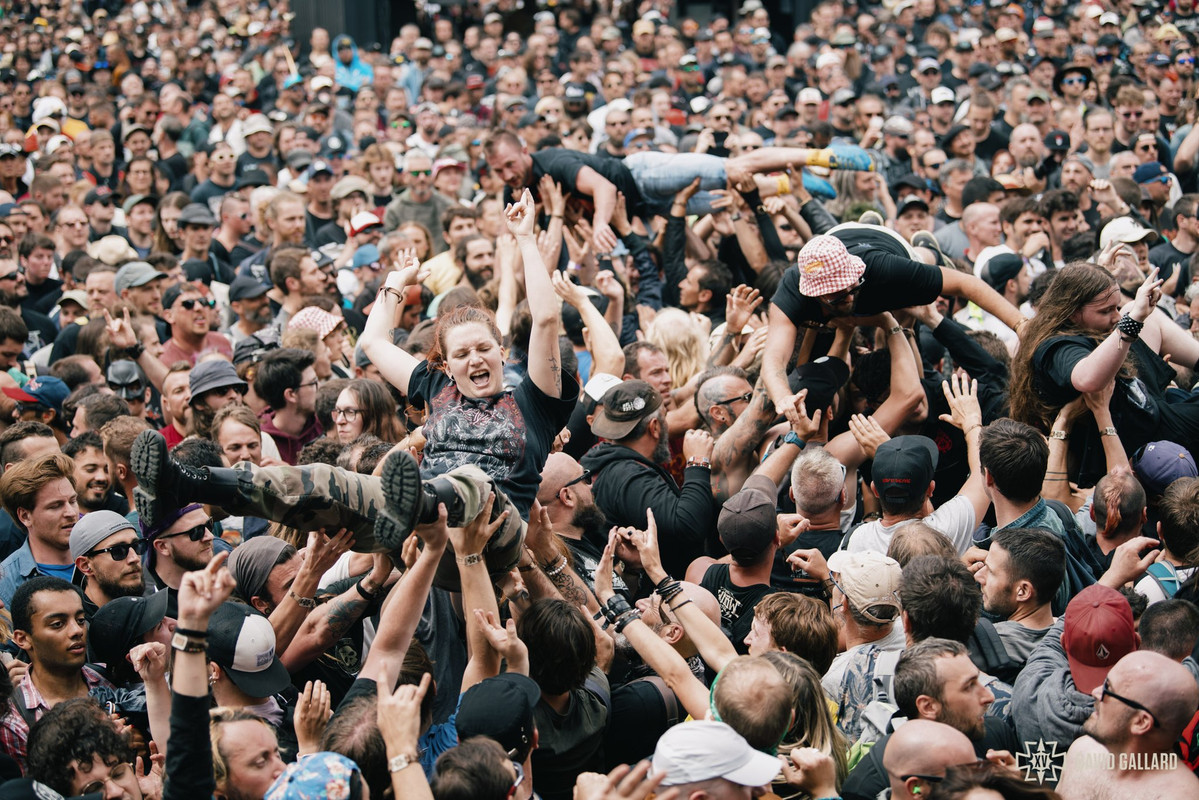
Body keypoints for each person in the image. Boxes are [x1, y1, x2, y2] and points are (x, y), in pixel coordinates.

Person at [1012, 263, 1199, 485]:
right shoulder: (1054, 347)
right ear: (1072, 313)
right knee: (1135, 314)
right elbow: (1087, 378)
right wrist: (1132, 321)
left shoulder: (1093, 326)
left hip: (1150, 410)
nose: (1115, 317)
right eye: (1105, 311)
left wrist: (1098, 275)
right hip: (1140, 446)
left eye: (1115, 307)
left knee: (1140, 314)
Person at [0, 576, 116, 768]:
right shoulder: (15, 720)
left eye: (80, 620)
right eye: (58, 624)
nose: (76, 631)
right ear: (23, 639)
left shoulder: (108, 679)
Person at [1057, 651, 1199, 799]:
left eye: (1109, 688)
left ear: (1141, 722)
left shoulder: (1181, 796)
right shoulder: (1080, 751)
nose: (1095, 692)